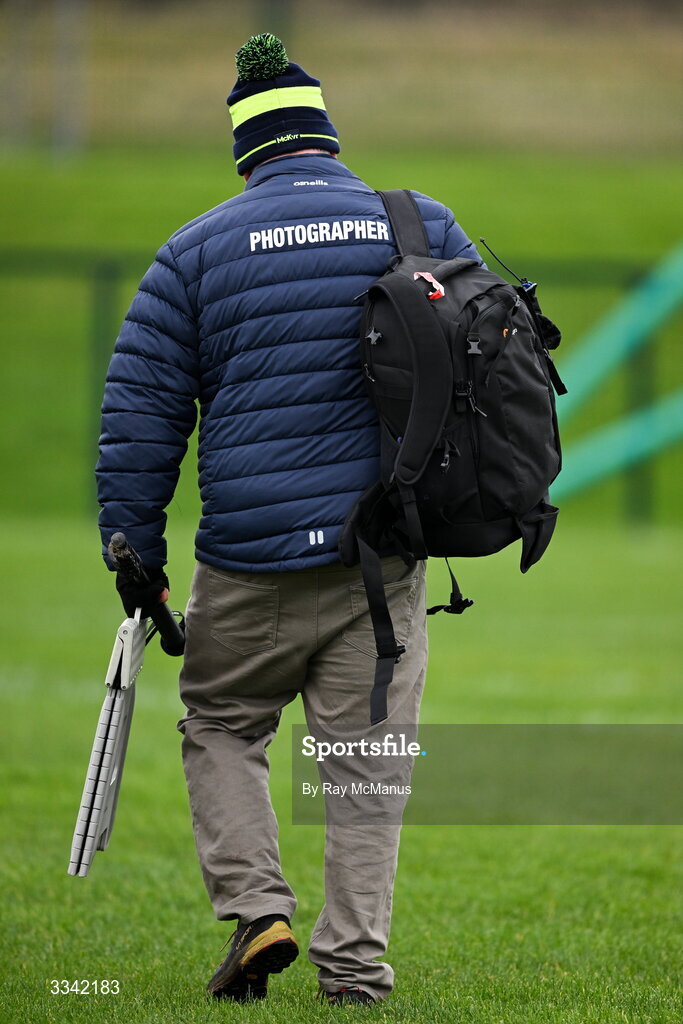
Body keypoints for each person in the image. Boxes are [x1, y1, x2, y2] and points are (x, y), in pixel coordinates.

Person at [96, 33, 482, 1007]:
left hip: (247, 564)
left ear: (246, 152)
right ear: (326, 135)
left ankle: (258, 907)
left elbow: (140, 418)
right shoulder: (416, 221)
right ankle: (354, 968)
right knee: (364, 767)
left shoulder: (192, 250)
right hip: (380, 556)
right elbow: (495, 364)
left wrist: (134, 554)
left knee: (222, 723)